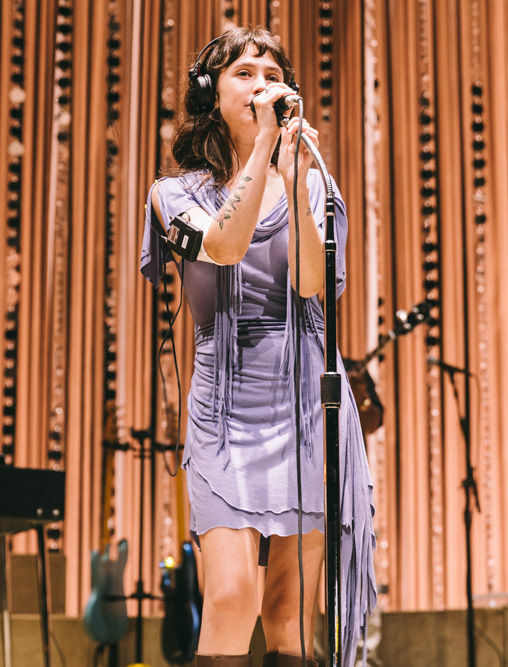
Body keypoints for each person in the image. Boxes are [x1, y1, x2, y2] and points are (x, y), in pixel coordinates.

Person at [140, 27, 376, 667]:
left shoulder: (315, 187)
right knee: (230, 598)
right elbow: (223, 247)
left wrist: (296, 182)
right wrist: (265, 144)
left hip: (302, 408)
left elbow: (309, 282)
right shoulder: (175, 194)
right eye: (245, 72)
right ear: (210, 94)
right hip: (222, 414)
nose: (261, 84)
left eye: (271, 73)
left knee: (290, 612)